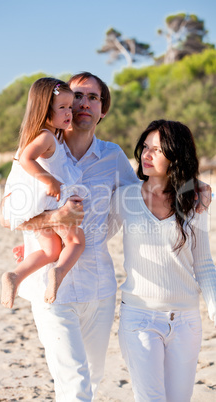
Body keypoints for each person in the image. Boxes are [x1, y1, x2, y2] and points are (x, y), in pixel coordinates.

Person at [1, 74, 211, 401]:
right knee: (75, 383)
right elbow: (6, 215)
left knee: (93, 376)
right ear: (64, 105)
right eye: (78, 97)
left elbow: (148, 191)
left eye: (93, 98)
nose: (84, 104)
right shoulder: (38, 151)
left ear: (103, 109)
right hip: (50, 287)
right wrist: (54, 219)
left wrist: (193, 186)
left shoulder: (113, 157)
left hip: (99, 288)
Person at [110, 120, 216, 402]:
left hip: (186, 321)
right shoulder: (125, 197)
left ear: (175, 155)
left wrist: (214, 306)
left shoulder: (194, 201)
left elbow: (203, 263)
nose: (146, 154)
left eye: (156, 150)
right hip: (140, 317)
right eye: (145, 147)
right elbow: (92, 236)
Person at [1, 78, 87, 309]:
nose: (70, 112)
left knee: (50, 250)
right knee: (76, 241)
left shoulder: (50, 136)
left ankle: (15, 276)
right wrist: (48, 178)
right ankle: (58, 274)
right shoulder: (46, 137)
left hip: (40, 206)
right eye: (62, 108)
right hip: (52, 204)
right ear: (44, 110)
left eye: (70, 107)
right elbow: (25, 158)